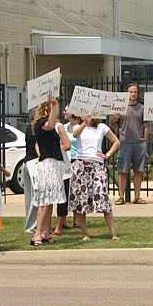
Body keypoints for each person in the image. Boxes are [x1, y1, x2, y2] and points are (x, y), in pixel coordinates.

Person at [70, 115, 120, 241]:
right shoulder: (78, 126)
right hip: (82, 164)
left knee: (102, 195)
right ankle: (85, 233)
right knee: (82, 199)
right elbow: (75, 134)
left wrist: (106, 154)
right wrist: (84, 123)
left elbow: (116, 142)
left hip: (97, 165)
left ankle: (113, 232)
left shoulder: (102, 127)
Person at [30, 97, 69, 247]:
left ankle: (45, 232)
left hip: (55, 164)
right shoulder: (40, 124)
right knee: (44, 202)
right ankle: (37, 233)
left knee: (51, 201)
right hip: (46, 164)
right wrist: (55, 106)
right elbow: (50, 124)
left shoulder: (53, 126)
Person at [110, 82, 149, 205]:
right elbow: (113, 125)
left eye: (135, 92)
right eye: (131, 92)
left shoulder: (142, 108)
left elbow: (146, 126)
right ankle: (121, 196)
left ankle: (137, 196)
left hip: (139, 143)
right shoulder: (120, 108)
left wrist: (145, 140)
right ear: (126, 93)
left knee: (138, 171)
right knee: (122, 171)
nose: (133, 94)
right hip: (125, 142)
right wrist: (116, 117)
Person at [54, 104, 79, 236]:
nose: (64, 112)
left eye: (67, 110)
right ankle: (63, 221)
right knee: (64, 190)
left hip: (77, 160)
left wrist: (77, 160)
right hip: (65, 160)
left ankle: (76, 219)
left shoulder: (80, 127)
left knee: (76, 190)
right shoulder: (62, 128)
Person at [21, 110, 38, 234]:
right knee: (35, 196)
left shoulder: (28, 128)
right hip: (34, 163)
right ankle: (32, 226)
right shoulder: (35, 130)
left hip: (27, 162)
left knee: (29, 196)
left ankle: (30, 223)